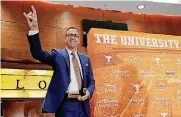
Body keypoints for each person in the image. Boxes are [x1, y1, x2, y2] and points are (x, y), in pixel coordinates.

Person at [23, 5, 95, 117]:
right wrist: (34, 29)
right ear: (65, 38)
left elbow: (91, 82)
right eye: (70, 35)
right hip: (65, 105)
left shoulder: (86, 59)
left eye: (75, 35)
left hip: (83, 105)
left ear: (78, 39)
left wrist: (89, 92)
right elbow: (38, 54)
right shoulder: (57, 54)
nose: (73, 37)